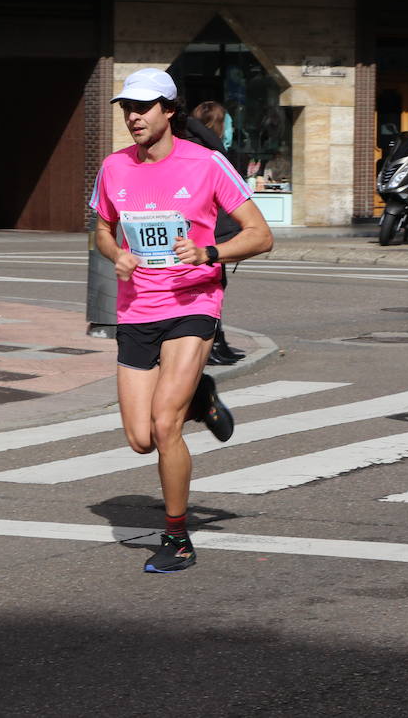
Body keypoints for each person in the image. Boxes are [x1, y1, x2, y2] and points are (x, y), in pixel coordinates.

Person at [91, 69, 273, 572]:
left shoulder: (207, 163)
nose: (133, 116)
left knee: (165, 425)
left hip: (192, 303)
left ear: (169, 110)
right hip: (136, 308)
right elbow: (101, 231)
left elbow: (260, 235)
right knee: (140, 438)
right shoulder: (113, 168)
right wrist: (116, 256)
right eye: (127, 107)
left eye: (143, 107)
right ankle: (202, 395)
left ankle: (177, 539)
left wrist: (207, 251)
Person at [185, 100, 246, 365]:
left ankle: (217, 341)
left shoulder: (204, 146)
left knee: (215, 284)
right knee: (209, 285)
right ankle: (209, 345)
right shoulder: (205, 151)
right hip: (205, 231)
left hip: (208, 229)